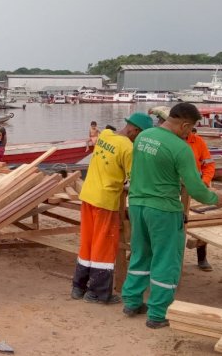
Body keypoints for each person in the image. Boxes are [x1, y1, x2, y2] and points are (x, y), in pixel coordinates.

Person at [121, 103, 222, 329]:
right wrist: (215, 199)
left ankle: (131, 301)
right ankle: (157, 314)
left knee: (140, 254)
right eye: (191, 129)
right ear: (185, 124)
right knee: (166, 260)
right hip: (163, 210)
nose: (190, 134)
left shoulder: (143, 137)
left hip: (137, 205)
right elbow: (196, 188)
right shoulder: (181, 149)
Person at [72, 112, 154, 304]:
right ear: (135, 130)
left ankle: (78, 287)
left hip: (88, 195)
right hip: (105, 200)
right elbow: (135, 179)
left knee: (88, 241)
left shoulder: (106, 136)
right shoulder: (128, 148)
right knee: (104, 244)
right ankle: (98, 293)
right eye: (140, 134)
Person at [185, 127, 216, 271]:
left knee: (203, 219)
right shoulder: (170, 140)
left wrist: (204, 182)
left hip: (196, 186)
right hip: (174, 187)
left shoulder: (198, 142)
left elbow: (209, 164)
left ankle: (202, 257)